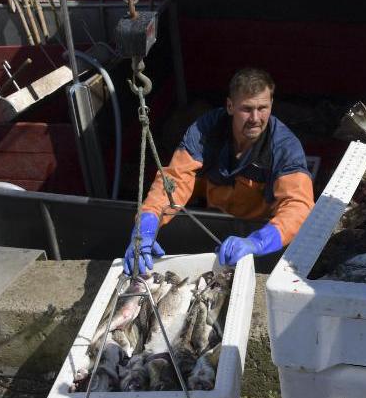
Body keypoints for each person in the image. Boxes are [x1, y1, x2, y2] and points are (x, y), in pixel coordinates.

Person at [124, 68, 315, 274]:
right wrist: (148, 222)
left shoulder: (285, 146)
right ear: (230, 106)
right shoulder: (206, 129)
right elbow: (175, 179)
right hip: (212, 216)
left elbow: (299, 206)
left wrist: (258, 242)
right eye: (247, 108)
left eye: (263, 108)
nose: (255, 118)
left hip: (259, 230)